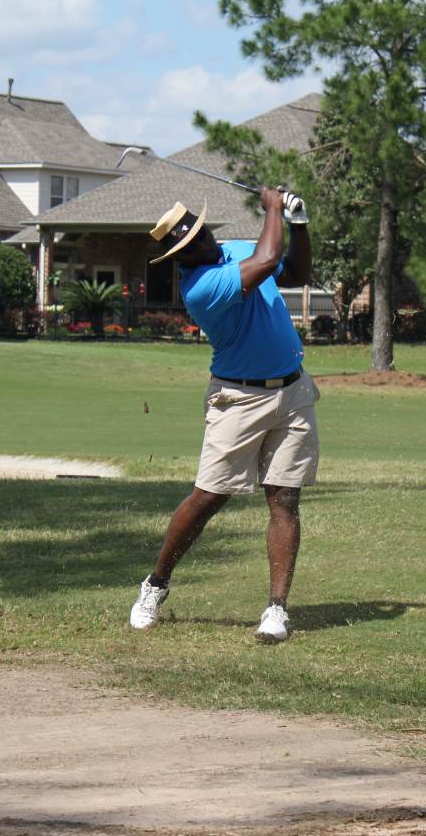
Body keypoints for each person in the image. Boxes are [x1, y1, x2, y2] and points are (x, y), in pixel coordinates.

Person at [129, 188, 316, 642]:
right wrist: (272, 207)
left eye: (202, 230)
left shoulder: (231, 251)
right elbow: (268, 259)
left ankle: (276, 610)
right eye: (191, 241)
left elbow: (292, 270)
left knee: (284, 499)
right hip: (237, 399)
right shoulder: (200, 288)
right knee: (208, 497)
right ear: (181, 256)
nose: (203, 241)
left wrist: (300, 224)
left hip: (292, 390)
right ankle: (155, 585)